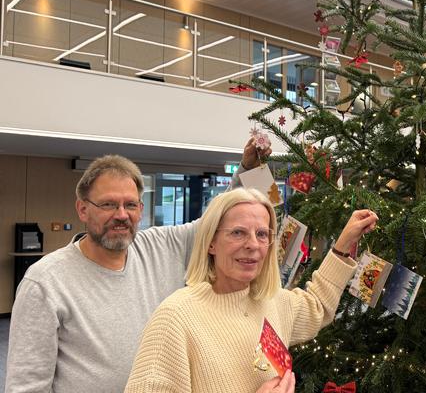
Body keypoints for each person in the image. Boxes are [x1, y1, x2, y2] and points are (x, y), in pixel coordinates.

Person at [6, 138, 271, 392]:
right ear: (82, 209)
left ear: (140, 209)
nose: (121, 215)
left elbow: (214, 222)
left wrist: (247, 169)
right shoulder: (45, 281)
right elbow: (26, 386)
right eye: (108, 204)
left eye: (130, 205)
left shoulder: (159, 246)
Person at [124, 188, 378, 393]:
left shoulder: (272, 301)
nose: (253, 245)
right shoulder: (176, 317)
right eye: (238, 233)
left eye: (262, 234)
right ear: (211, 242)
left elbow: (317, 306)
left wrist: (342, 246)